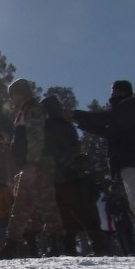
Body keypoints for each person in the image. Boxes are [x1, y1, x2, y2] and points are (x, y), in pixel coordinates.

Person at [67, 80, 135, 255]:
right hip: (127, 163)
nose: (112, 93)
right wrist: (81, 122)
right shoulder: (123, 111)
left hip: (134, 161)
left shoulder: (130, 107)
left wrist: (77, 114)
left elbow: (106, 118)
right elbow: (106, 130)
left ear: (122, 91)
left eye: (114, 90)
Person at [1, 79, 65, 259]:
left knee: (46, 203)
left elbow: (36, 138)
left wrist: (32, 164)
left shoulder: (34, 109)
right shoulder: (23, 112)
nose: (11, 98)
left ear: (20, 93)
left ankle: (56, 242)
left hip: (38, 165)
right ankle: (11, 244)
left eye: (12, 94)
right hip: (29, 165)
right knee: (21, 205)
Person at [42, 95, 107, 256]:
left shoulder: (56, 126)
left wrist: (59, 165)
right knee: (69, 215)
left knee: (80, 213)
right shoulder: (55, 126)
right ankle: (74, 250)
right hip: (62, 178)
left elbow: (72, 149)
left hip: (69, 177)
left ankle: (97, 248)